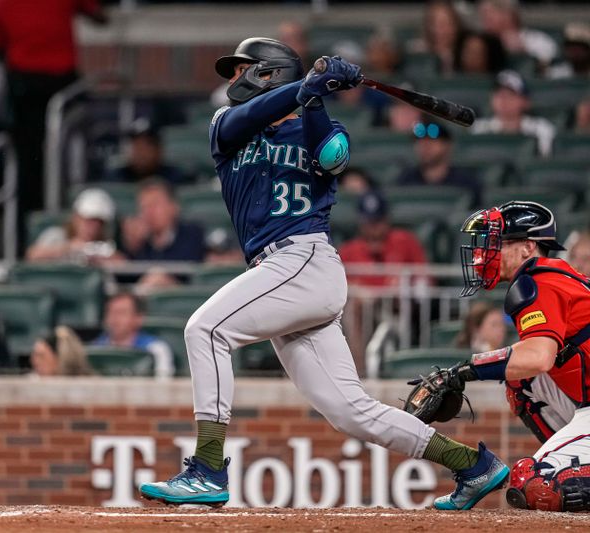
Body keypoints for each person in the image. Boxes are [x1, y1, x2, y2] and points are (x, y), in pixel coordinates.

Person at [138, 38, 508, 512]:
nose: (233, 79)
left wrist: (313, 97)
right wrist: (306, 88)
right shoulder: (226, 128)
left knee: (205, 329)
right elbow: (245, 118)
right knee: (350, 413)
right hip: (281, 271)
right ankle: (472, 466)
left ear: (269, 73)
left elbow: (332, 159)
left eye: (242, 69)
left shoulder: (323, 126)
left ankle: (208, 469)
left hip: (304, 260)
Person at [443, 201, 590, 512]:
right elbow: (529, 363)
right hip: (585, 403)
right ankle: (572, 459)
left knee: (535, 484)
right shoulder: (552, 276)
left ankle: (560, 471)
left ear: (528, 247)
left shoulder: (539, 280)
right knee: (520, 379)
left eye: (499, 243)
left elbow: (539, 357)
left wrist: (467, 370)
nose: (487, 252)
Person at [0, 0, 107, 213]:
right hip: (46, 84)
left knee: (34, 157)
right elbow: (99, 14)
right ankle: (55, 206)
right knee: (43, 153)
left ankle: (40, 209)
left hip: (32, 86)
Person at [338, 191, 430, 288]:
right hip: (364, 302)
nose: (373, 228)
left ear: (387, 219)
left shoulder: (405, 241)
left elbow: (426, 280)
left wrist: (405, 284)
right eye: (368, 222)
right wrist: (353, 289)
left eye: (378, 221)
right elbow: (336, 285)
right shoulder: (348, 250)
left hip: (400, 302)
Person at [472, 70, 556, 157]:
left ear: (525, 101)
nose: (502, 99)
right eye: (498, 94)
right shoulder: (480, 129)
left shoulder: (541, 129)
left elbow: (544, 160)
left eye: (510, 95)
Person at [396, 121, 482, 207]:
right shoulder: (405, 180)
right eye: (420, 142)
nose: (425, 147)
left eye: (431, 141)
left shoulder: (466, 182)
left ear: (447, 145)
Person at [26, 187, 122, 264]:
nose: (93, 227)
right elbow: (32, 255)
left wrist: (99, 258)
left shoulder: (104, 245)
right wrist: (70, 248)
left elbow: (123, 265)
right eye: (88, 221)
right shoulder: (56, 235)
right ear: (76, 218)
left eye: (99, 223)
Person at [120, 178, 206, 262]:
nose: (149, 212)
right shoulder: (135, 242)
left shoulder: (192, 234)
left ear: (174, 207)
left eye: (155, 204)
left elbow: (188, 262)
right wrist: (132, 249)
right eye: (144, 206)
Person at [94, 292, 174, 378]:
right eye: (110, 312)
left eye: (121, 313)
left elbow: (163, 384)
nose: (114, 318)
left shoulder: (156, 349)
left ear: (139, 318)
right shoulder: (95, 349)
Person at [478, 0, 558, 70]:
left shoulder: (537, 40)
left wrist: (523, 51)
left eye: (489, 17)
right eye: (484, 18)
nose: (485, 24)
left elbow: (549, 69)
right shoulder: (480, 45)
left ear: (507, 15)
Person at [104, 120, 189, 184]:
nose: (140, 152)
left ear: (159, 150)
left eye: (146, 146)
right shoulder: (117, 178)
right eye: (136, 146)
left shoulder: (174, 178)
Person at [408, 0, 464, 74]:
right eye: (433, 23)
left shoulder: (465, 54)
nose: (438, 30)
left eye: (444, 24)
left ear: (456, 26)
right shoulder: (415, 52)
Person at [29, 325, 93, 377]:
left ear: (59, 357)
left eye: (41, 356)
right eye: (34, 356)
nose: (35, 362)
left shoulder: (90, 384)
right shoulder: (31, 382)